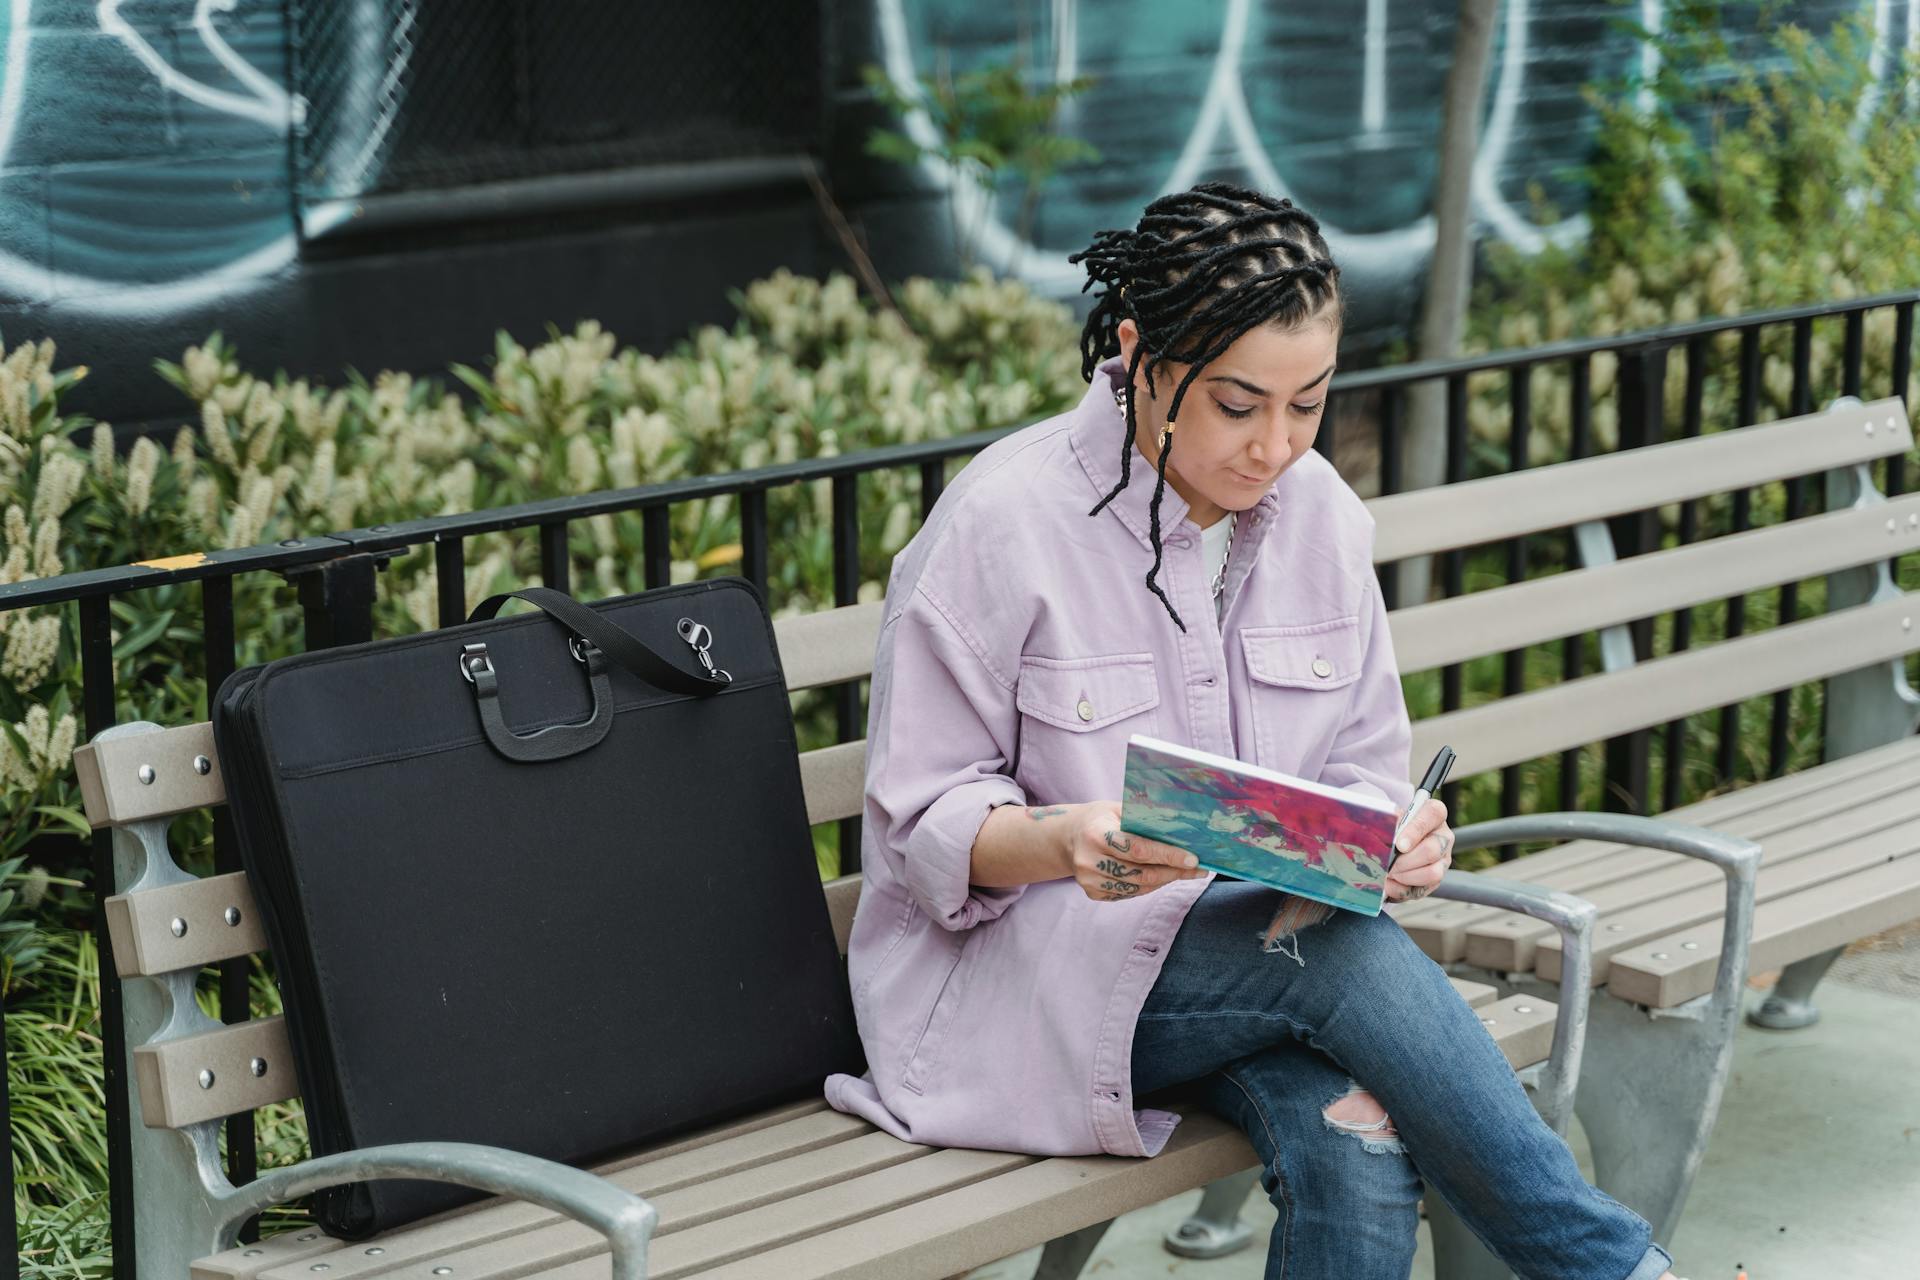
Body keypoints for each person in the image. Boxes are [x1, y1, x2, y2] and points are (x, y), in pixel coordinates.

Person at [822, 181, 1680, 1280]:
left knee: (1357, 1144)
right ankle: (1610, 1265)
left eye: (1308, 403)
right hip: (1032, 985)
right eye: (1237, 404)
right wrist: (1064, 838)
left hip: (1248, 972)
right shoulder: (1001, 524)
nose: (1275, 445)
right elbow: (917, 827)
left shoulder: (1323, 518)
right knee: (1331, 949)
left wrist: (1401, 836)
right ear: (1141, 355)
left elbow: (1361, 765)